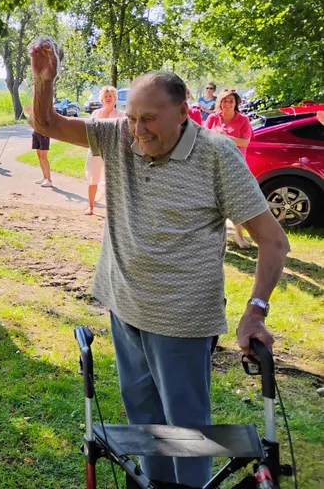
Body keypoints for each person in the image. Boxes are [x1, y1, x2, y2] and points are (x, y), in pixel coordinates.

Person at [29, 37, 289, 488]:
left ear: (183, 111)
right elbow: (46, 121)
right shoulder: (119, 136)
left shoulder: (216, 155)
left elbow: (273, 240)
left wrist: (255, 311)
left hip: (182, 321)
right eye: (132, 118)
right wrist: (43, 80)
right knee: (145, 423)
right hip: (124, 306)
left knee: (186, 432)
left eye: (149, 118)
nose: (138, 130)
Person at [205, 89, 255, 248]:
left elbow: (245, 142)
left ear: (236, 103)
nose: (227, 104)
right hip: (214, 164)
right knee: (212, 202)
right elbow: (205, 138)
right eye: (224, 101)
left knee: (237, 202)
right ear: (220, 102)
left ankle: (238, 235)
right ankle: (212, 236)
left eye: (231, 101)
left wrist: (226, 138)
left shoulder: (243, 120)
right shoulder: (213, 118)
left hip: (235, 165)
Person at [83, 86, 123, 215]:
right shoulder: (95, 114)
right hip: (96, 150)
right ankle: (91, 207)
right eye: (105, 97)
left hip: (113, 152)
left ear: (115, 99)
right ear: (101, 99)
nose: (108, 99)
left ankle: (113, 210)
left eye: (110, 96)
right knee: (92, 179)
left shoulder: (121, 115)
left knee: (113, 181)